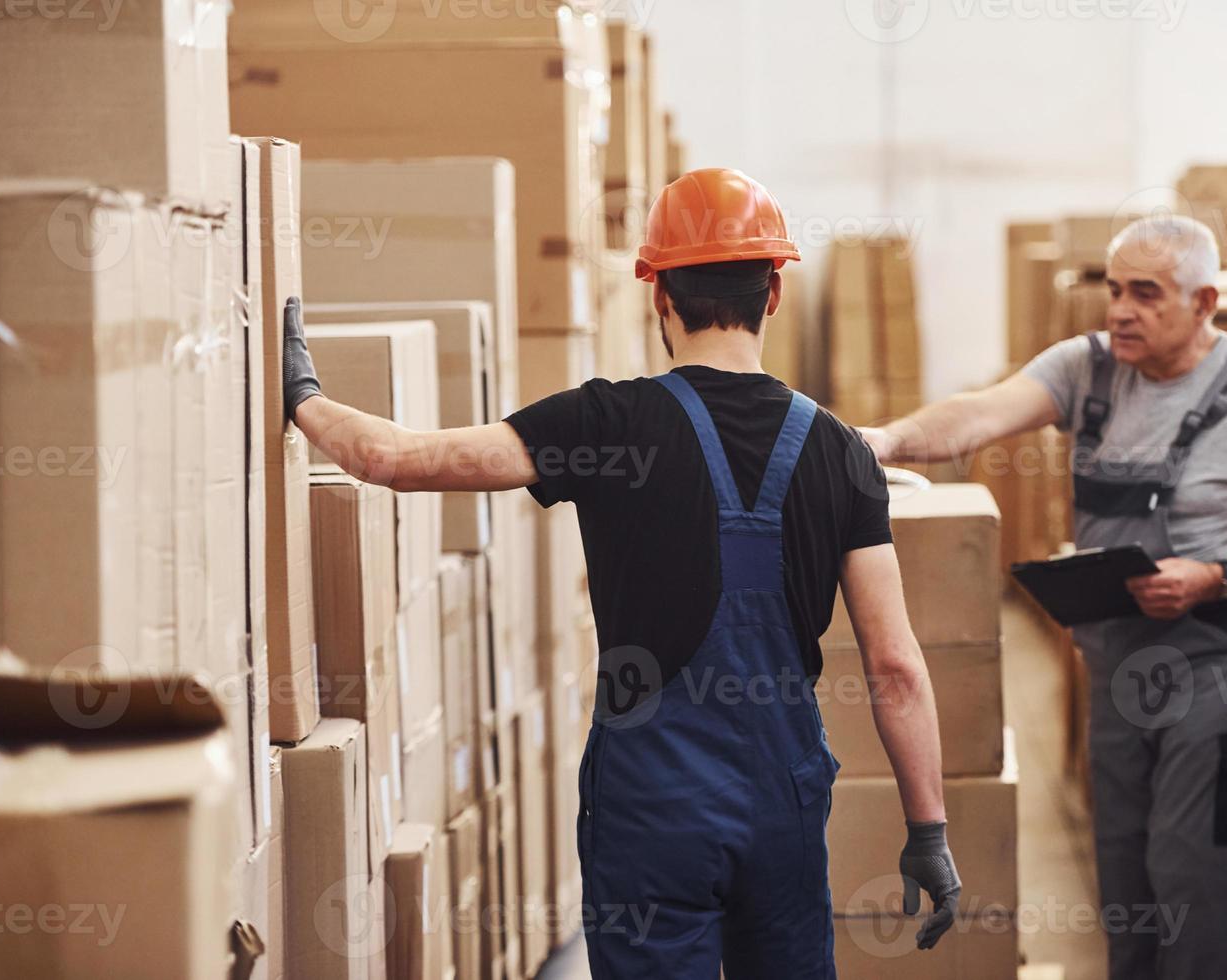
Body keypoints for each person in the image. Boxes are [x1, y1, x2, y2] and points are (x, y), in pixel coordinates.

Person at [286, 167, 961, 977]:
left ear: (659, 297)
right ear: (773, 293)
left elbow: (393, 458)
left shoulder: (605, 423)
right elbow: (895, 669)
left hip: (653, 809)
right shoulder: (843, 452)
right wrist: (929, 831)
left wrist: (302, 395)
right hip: (780, 807)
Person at [862, 214, 1227, 979]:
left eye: (1146, 294)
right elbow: (981, 414)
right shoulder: (1087, 368)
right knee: (1125, 885)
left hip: (1219, 674)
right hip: (1120, 670)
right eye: (1115, 289)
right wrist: (886, 441)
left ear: (1203, 301)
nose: (1119, 309)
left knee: (1196, 882)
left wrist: (1213, 577)